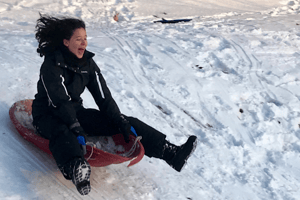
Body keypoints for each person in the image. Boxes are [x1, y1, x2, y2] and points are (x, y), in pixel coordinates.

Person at [32, 14, 197, 196]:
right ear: (65, 42)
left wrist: (119, 120)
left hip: (76, 112)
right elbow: (59, 101)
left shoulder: (87, 63)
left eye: (85, 38)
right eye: (78, 39)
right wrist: (75, 126)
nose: (84, 43)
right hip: (47, 115)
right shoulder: (51, 65)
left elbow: (103, 97)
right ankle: (76, 168)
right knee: (63, 131)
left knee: (124, 122)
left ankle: (171, 153)